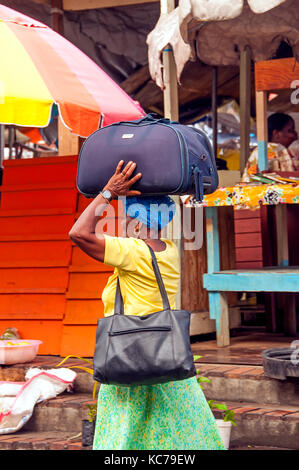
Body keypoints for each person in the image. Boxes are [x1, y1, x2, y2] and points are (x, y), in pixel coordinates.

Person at [69, 160, 225, 451]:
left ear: (137, 222)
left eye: (128, 219)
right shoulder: (171, 251)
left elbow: (78, 233)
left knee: (124, 437)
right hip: (165, 356)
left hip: (128, 356)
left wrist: (107, 193)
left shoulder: (132, 252)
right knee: (171, 437)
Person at [242, 112, 298, 182]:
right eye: (290, 130)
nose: (295, 135)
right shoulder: (276, 149)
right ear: (276, 134)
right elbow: (292, 179)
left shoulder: (260, 150)